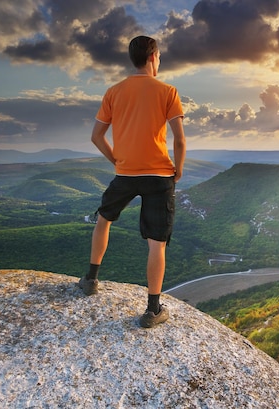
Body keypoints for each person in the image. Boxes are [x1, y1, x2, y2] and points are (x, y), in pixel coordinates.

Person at [78, 35, 186, 329]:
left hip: (125, 174)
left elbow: (96, 136)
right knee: (157, 244)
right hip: (159, 176)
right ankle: (152, 310)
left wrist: (116, 160)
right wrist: (178, 169)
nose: (159, 60)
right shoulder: (168, 91)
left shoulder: (114, 92)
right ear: (153, 57)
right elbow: (179, 138)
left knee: (103, 219)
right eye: (160, 56)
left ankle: (90, 279)